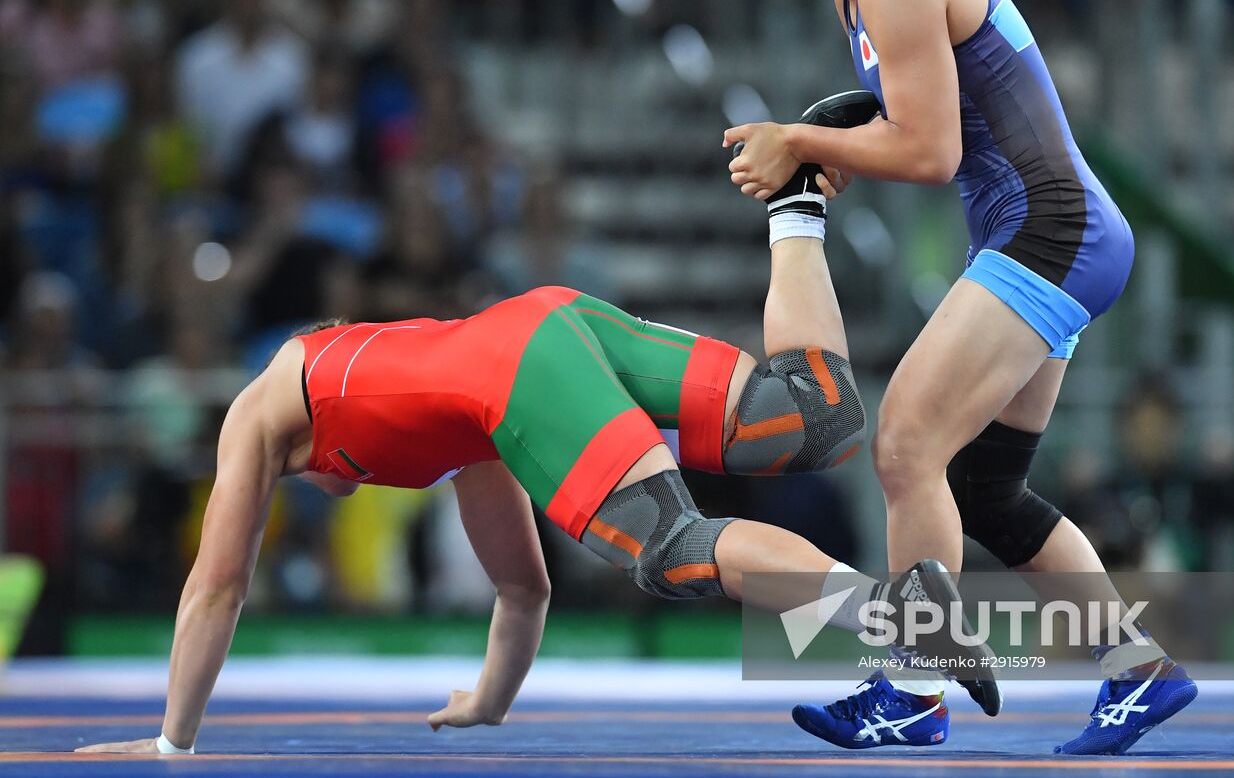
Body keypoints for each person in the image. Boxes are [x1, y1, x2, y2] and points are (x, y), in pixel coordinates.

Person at [74, 101, 961, 756]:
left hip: (516, 369)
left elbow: (216, 587)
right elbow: (522, 591)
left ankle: (900, 620)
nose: (340, 486)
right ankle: (796, 205)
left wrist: (170, 743)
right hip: (545, 322)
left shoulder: (259, 413)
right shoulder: (448, 430)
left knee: (675, 548)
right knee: (811, 417)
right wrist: (488, 702)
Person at [715, 0, 1195, 755]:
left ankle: (912, 688)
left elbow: (930, 151)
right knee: (981, 489)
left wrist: (802, 137)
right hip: (1049, 233)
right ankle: (1137, 672)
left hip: (1047, 231)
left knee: (905, 445)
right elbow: (929, 115)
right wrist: (847, 137)